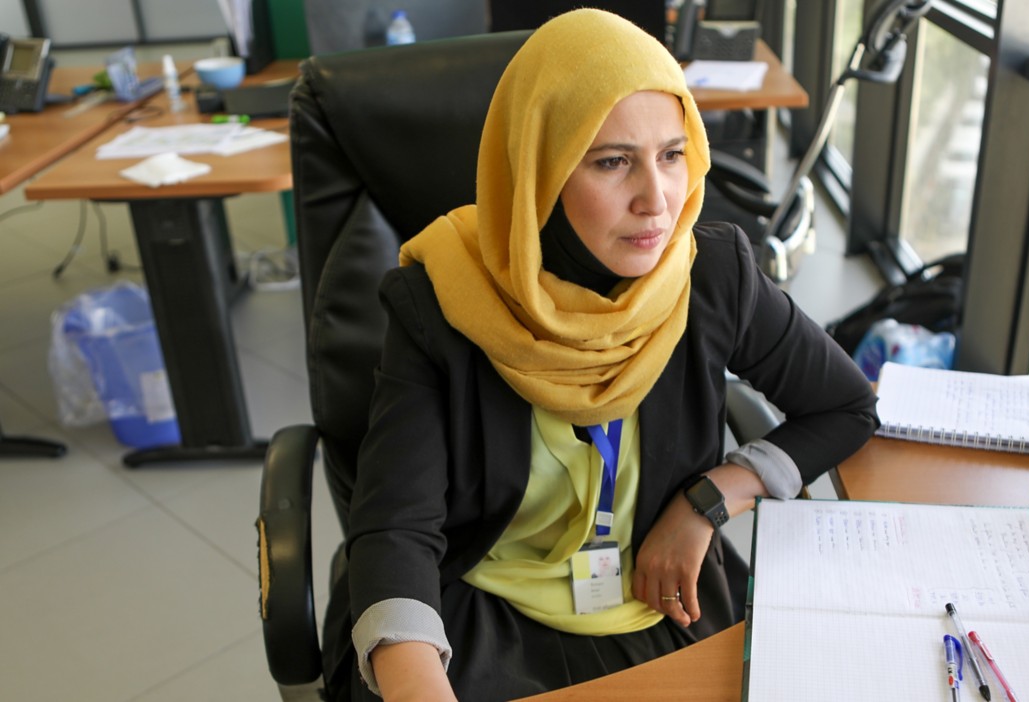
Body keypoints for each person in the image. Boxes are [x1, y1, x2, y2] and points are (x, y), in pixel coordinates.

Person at [340, 9, 878, 701]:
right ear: (541, 172)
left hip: (663, 598)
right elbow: (394, 531)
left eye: (672, 154)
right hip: (485, 617)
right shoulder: (441, 302)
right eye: (612, 161)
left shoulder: (710, 274)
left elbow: (845, 405)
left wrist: (709, 501)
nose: (657, 200)